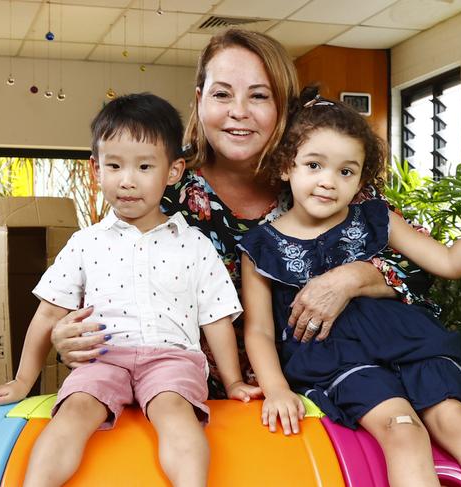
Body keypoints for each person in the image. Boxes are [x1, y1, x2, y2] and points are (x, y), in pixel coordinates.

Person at [49, 29, 435, 399]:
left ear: (283, 104)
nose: (238, 112)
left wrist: (353, 277)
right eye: (222, 94)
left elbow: (424, 268)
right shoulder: (160, 189)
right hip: (194, 401)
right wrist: (70, 339)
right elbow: (101, 293)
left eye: (259, 96)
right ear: (199, 100)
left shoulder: (327, 176)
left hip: (337, 393)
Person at [239, 89, 461, 487]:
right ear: (287, 167)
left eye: (346, 171)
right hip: (337, 359)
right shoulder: (260, 246)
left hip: (410, 343)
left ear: (360, 178)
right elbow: (258, 330)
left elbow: (451, 263)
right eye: (314, 165)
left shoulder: (377, 218)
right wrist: (275, 390)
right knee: (403, 429)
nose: (328, 182)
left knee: (457, 420)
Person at [0, 93, 259, 487]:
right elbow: (48, 313)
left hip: (170, 360)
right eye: (114, 165)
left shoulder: (194, 244)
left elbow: (216, 319)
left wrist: (232, 383)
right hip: (102, 359)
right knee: (73, 411)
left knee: (175, 411)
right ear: (96, 170)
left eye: (144, 166)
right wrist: (22, 381)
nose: (127, 180)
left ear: (174, 170)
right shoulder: (85, 243)